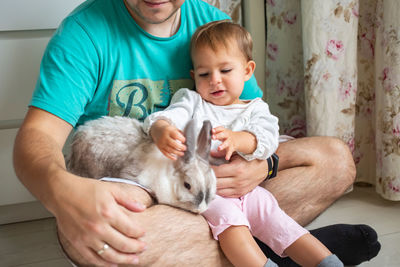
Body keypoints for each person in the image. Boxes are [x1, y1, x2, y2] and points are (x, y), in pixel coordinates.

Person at [12, 0, 379, 266]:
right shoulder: (83, 33)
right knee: (96, 242)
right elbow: (38, 137)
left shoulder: (212, 26)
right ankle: (285, 251)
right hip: (145, 183)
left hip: (218, 183)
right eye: (203, 73)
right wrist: (60, 191)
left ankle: (250, 251)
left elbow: (254, 122)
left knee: (334, 159)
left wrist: (262, 166)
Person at [143, 20, 344, 267]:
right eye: (205, 74)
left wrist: (241, 140)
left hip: (250, 190)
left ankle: (327, 262)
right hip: (208, 193)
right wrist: (161, 128)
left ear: (247, 71)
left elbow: (268, 138)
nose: (215, 80)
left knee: (278, 222)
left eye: (225, 71)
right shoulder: (192, 101)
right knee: (232, 225)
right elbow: (170, 116)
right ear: (194, 77)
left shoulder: (256, 108)